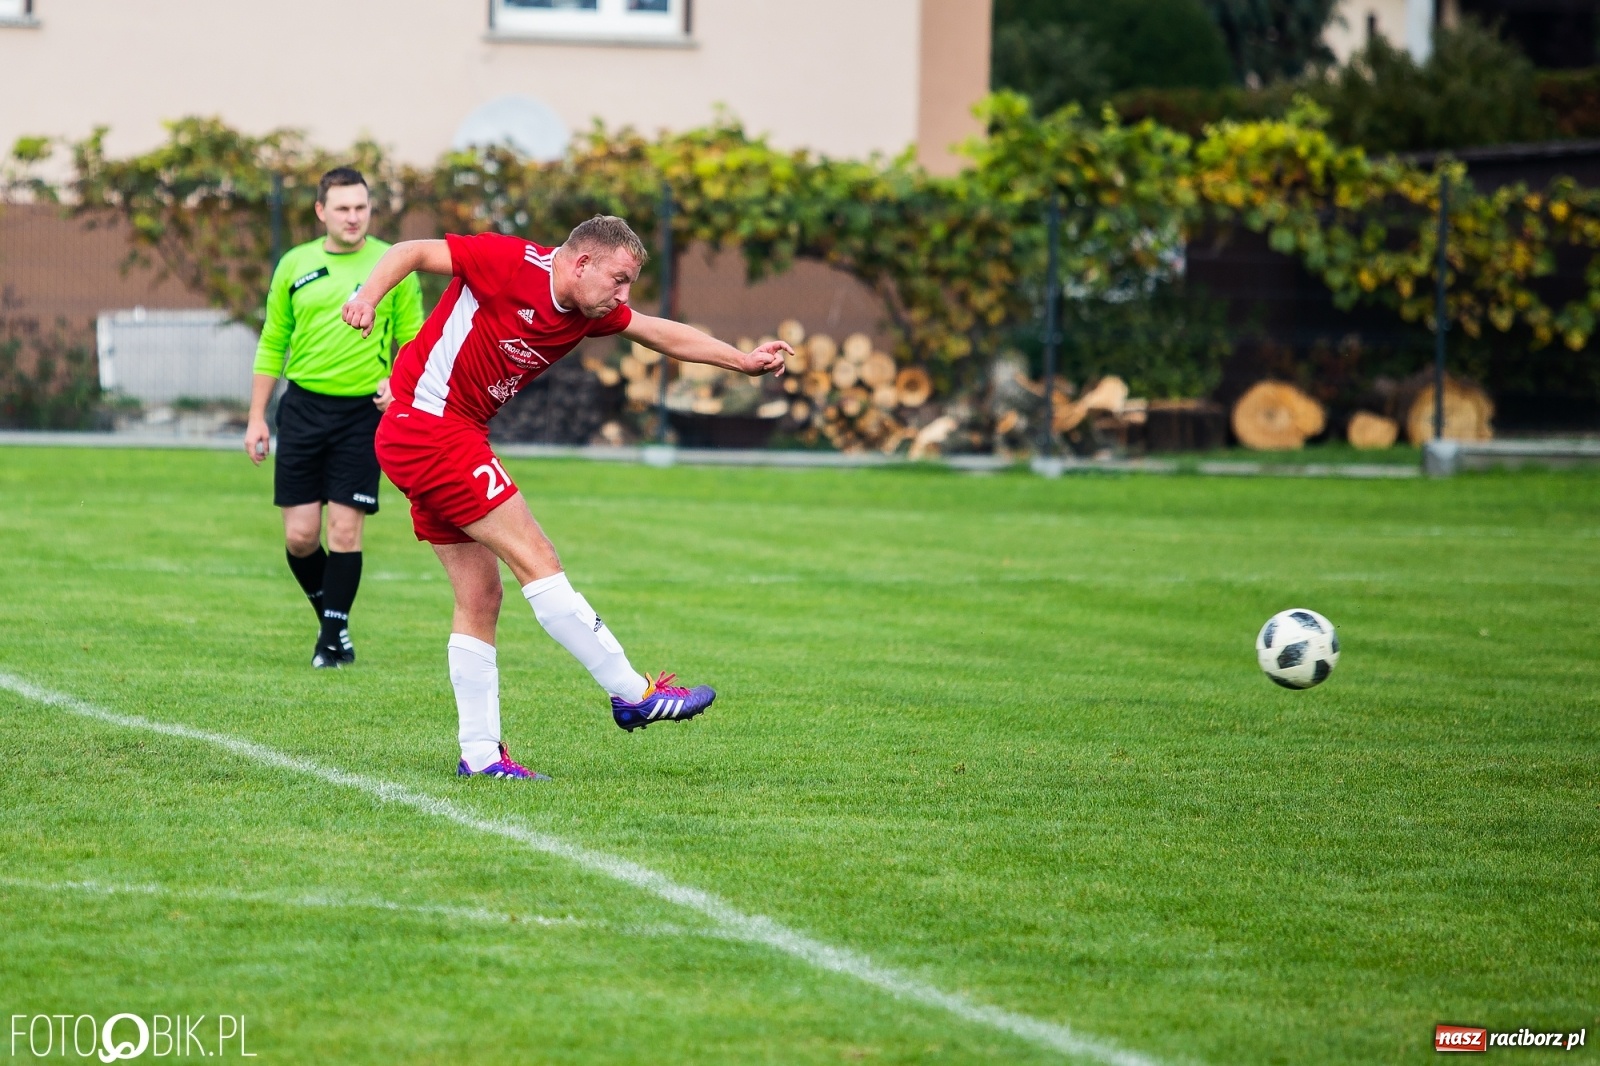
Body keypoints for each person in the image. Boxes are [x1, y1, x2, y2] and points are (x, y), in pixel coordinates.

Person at [341, 215, 788, 779]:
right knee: (539, 557)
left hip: (434, 431)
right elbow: (408, 251)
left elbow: (659, 332)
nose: (622, 296)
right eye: (618, 279)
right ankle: (632, 693)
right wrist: (367, 297)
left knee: (480, 596)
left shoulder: (589, 309)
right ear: (581, 263)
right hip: (433, 427)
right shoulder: (508, 263)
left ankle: (479, 757)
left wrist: (742, 361)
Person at [245, 167, 425, 668]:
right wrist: (257, 416)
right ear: (322, 211)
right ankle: (334, 620)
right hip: (301, 409)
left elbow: (413, 338)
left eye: (361, 207)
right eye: (342, 208)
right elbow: (272, 342)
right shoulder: (294, 264)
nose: (353, 217)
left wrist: (400, 384)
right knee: (300, 537)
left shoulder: (392, 263)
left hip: (363, 414)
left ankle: (332, 639)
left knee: (344, 532)